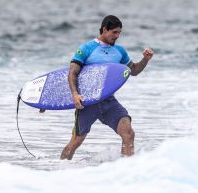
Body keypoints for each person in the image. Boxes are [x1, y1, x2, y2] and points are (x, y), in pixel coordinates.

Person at [59, 15, 154, 160]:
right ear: (104, 29)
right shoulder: (86, 48)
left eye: (119, 33)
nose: (117, 36)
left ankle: (127, 169)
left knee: (128, 133)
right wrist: (75, 94)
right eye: (114, 32)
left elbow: (133, 70)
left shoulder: (119, 51)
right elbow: (72, 72)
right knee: (76, 141)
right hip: (88, 102)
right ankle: (59, 170)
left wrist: (145, 60)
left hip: (109, 101)